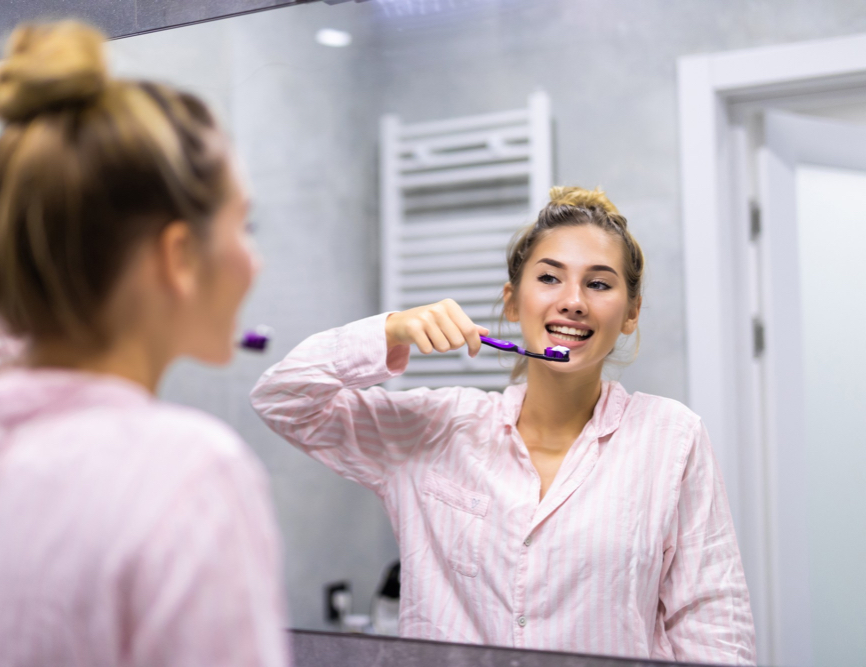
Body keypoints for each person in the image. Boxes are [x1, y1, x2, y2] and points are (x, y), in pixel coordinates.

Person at [0, 21, 288, 667]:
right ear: (177, 256)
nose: (256, 261)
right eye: (245, 226)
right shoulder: (190, 472)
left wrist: (62, 305)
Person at [251, 187, 756, 664]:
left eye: (599, 283)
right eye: (550, 277)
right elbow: (282, 398)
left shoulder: (672, 438)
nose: (574, 300)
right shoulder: (436, 427)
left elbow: (712, 623)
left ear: (631, 313)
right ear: (512, 302)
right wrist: (390, 331)